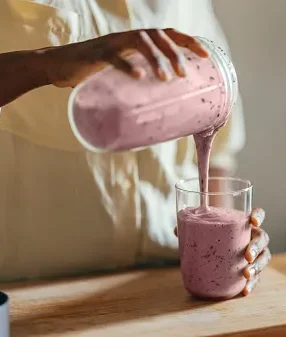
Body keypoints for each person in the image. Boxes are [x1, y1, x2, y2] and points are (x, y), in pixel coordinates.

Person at [0, 0, 270, 295]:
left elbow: (218, 151)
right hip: (30, 294)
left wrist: (229, 254)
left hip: (169, 287)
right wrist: (47, 63)